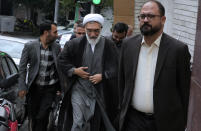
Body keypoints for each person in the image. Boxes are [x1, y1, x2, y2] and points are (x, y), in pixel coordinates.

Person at [118, 1, 191, 131]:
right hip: (133, 121)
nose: (145, 20)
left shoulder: (178, 50)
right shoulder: (128, 45)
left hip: (165, 122)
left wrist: (182, 123)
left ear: (163, 19)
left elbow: (184, 91)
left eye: (151, 16)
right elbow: (122, 82)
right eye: (142, 16)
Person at [57, 13, 119, 131]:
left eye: (96, 31)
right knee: (78, 121)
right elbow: (61, 60)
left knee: (95, 122)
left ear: (101, 28)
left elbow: (116, 66)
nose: (93, 34)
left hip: (99, 91)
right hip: (79, 89)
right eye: (89, 30)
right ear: (84, 29)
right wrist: (74, 70)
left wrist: (103, 76)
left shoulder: (109, 45)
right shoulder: (74, 44)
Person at [18, 22, 61, 131]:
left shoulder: (56, 47)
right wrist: (22, 86)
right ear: (46, 33)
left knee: (43, 115)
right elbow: (22, 68)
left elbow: (60, 68)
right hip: (34, 88)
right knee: (34, 115)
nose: (57, 35)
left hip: (50, 88)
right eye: (55, 32)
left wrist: (60, 87)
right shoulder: (30, 46)